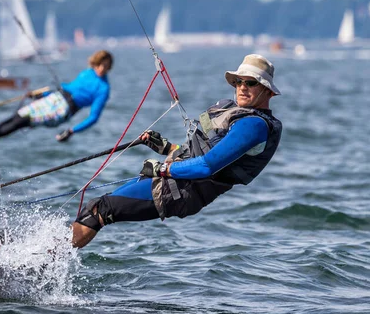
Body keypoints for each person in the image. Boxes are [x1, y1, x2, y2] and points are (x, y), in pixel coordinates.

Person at [70, 54, 283, 248]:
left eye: (251, 82)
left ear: (268, 90)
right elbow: (203, 153)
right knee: (97, 207)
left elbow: (207, 166)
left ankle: (47, 263)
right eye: (238, 81)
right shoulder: (235, 112)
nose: (242, 87)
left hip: (179, 191)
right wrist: (167, 147)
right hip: (172, 179)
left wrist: (162, 169)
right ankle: (46, 258)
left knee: (100, 211)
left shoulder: (253, 126)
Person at [0, 50, 113, 143]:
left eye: (106, 66)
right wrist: (41, 95)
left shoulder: (103, 89)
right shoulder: (87, 73)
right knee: (17, 116)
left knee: (21, 122)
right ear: (95, 62)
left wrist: (71, 131)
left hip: (63, 110)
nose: (101, 68)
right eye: (100, 64)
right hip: (55, 98)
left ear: (109, 68)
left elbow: (93, 118)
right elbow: (69, 89)